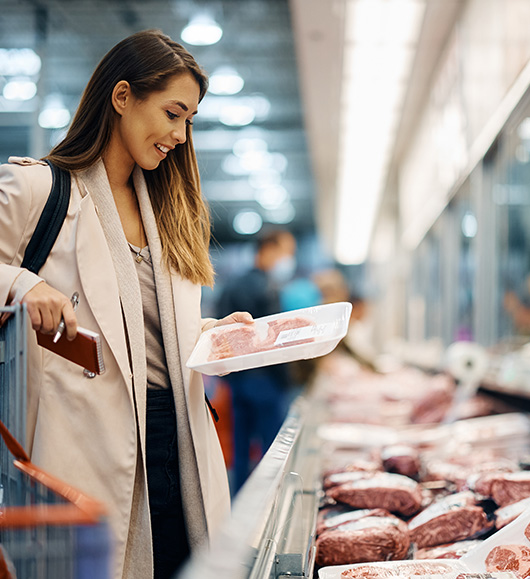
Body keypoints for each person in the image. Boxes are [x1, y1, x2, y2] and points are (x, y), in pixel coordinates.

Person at [0, 29, 252, 579]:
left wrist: (210, 332)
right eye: (173, 113)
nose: (181, 135)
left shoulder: (166, 211)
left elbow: (133, 327)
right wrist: (22, 284)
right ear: (121, 98)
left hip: (176, 441)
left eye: (189, 121)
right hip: (87, 441)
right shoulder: (40, 190)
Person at [216, 228, 297, 492]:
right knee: (271, 449)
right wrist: (286, 383)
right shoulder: (267, 287)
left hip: (236, 379)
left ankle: (239, 501)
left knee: (240, 447)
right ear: (270, 249)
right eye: (287, 252)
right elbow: (274, 340)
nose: (288, 258)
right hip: (265, 380)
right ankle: (268, 502)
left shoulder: (232, 285)